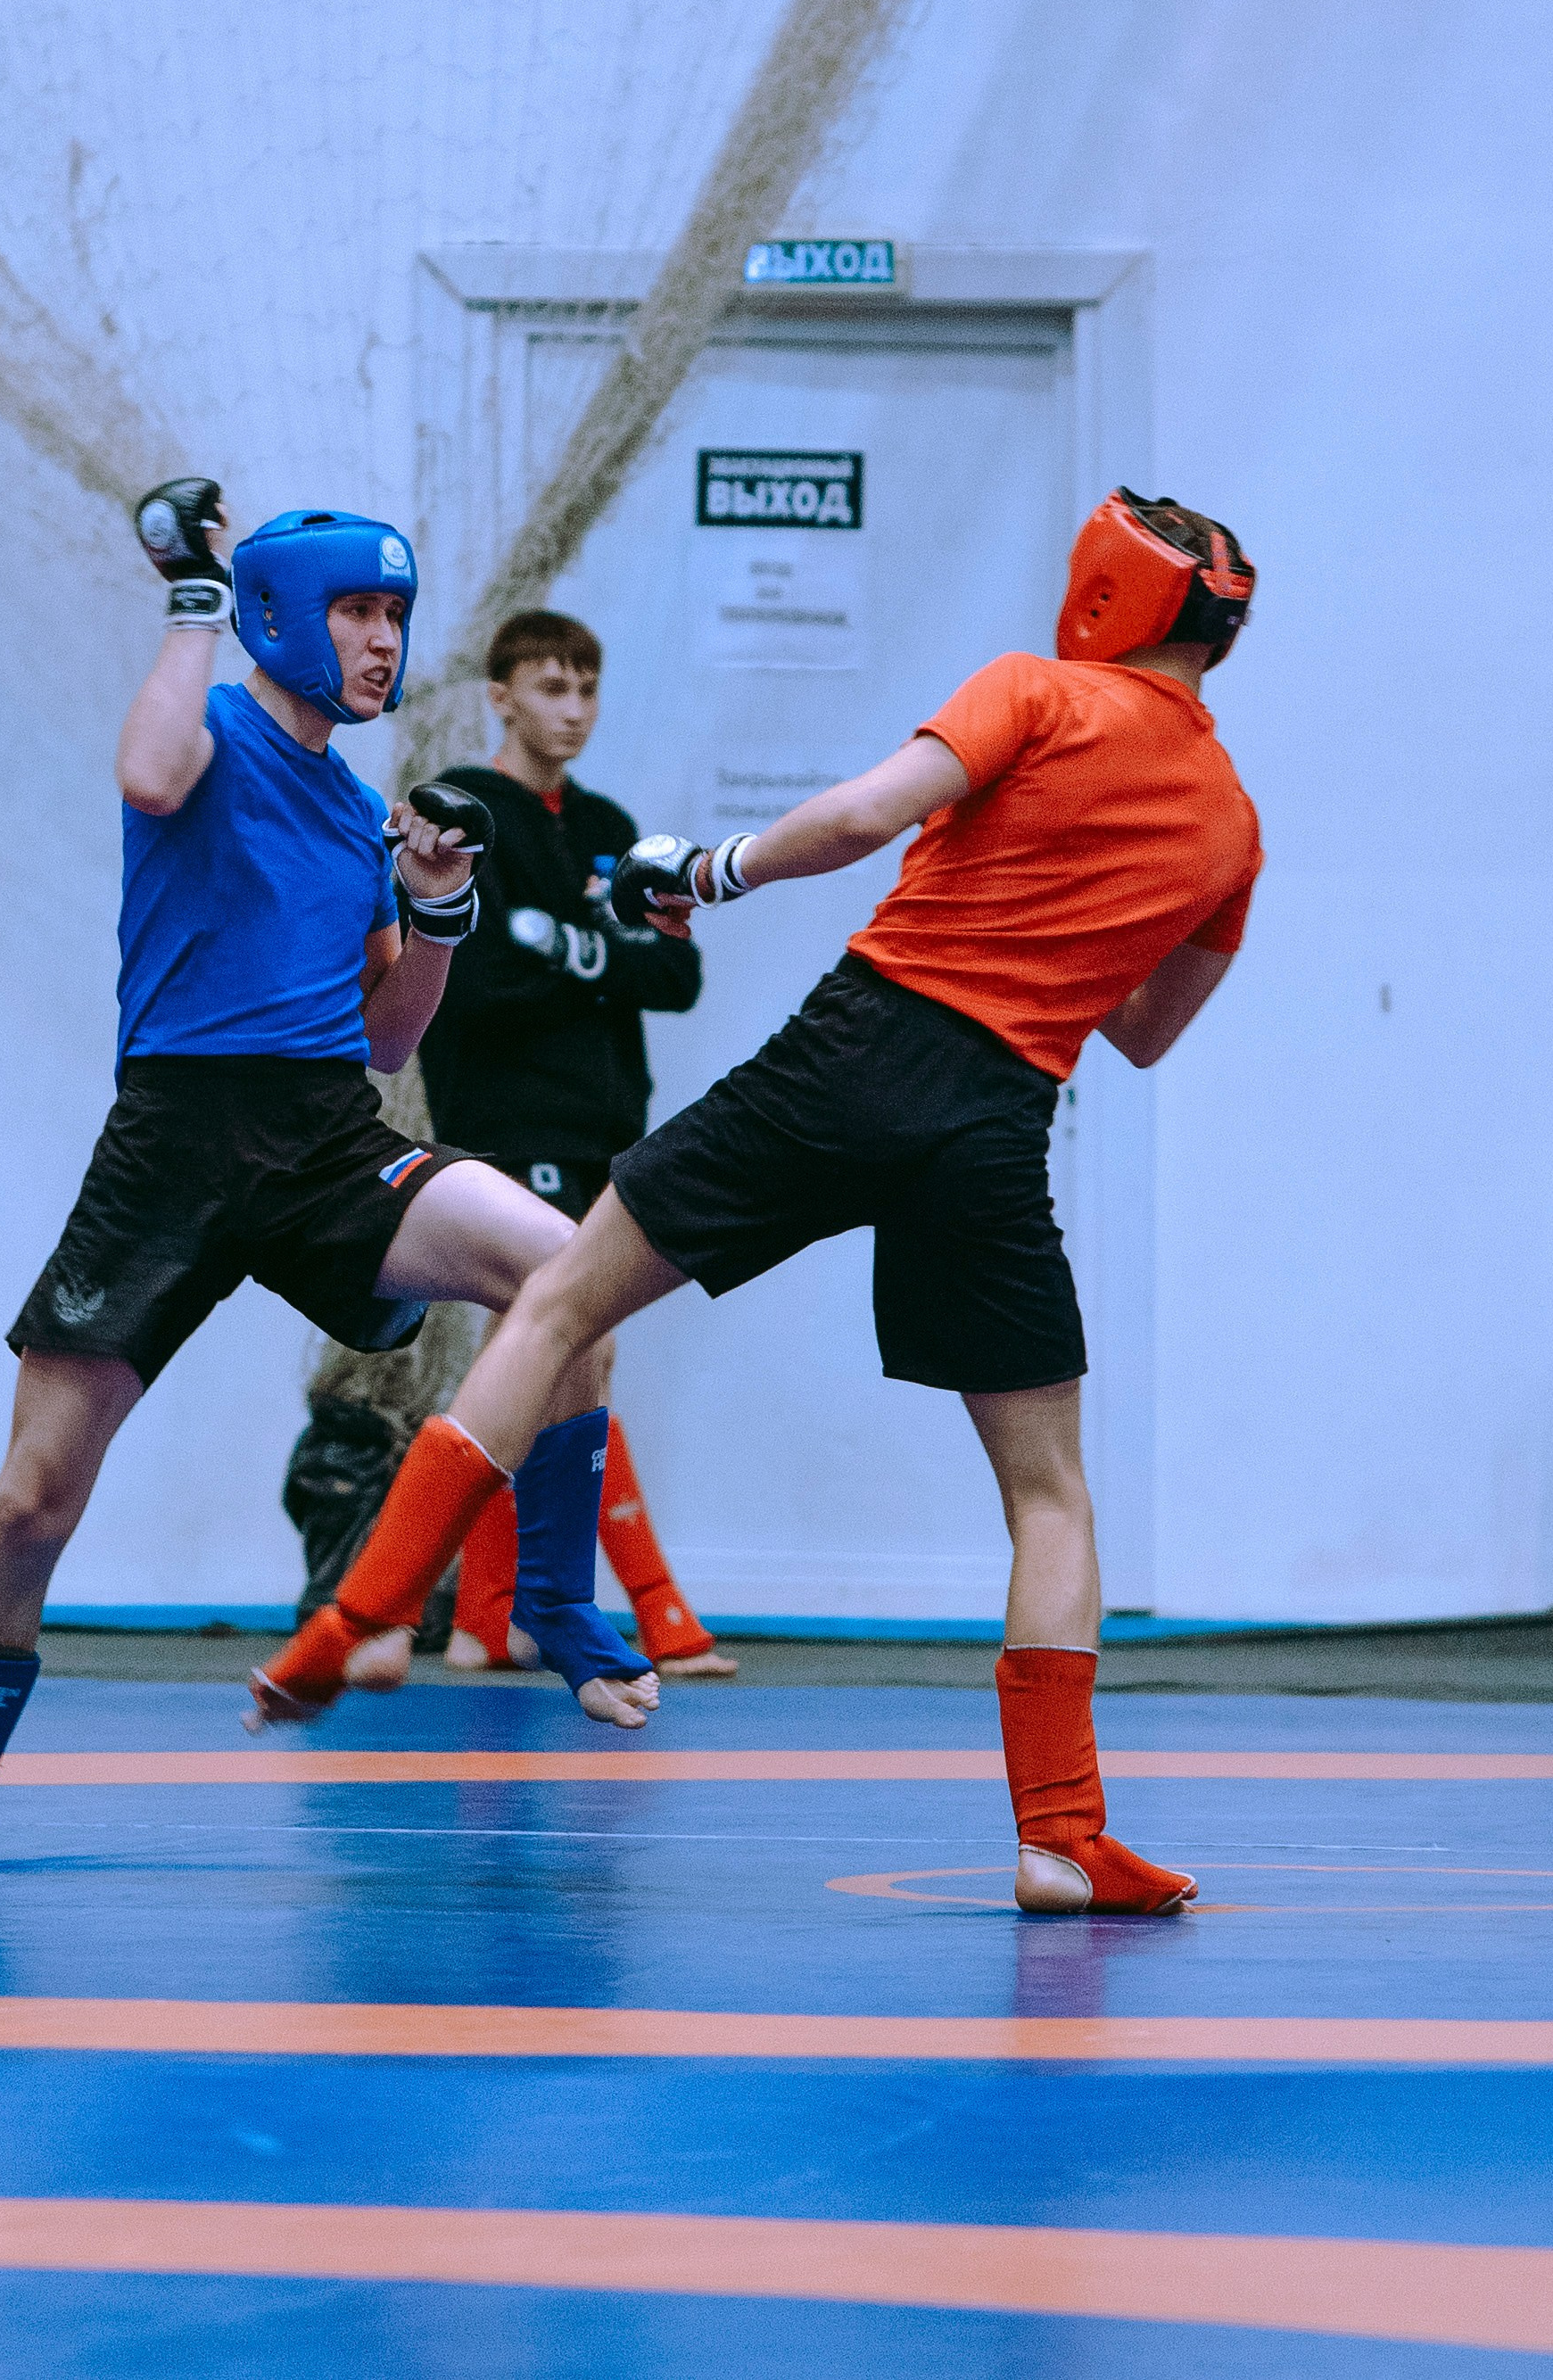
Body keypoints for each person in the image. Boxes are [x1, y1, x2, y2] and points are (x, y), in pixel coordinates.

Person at [254, 491, 1261, 1917]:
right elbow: (1147, 1031)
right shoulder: (1229, 825)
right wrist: (1069, 918)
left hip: (855, 1054)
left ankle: (354, 1618)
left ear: (1106, 598)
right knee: (1048, 1494)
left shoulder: (1036, 691)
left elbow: (858, 818)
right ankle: (1058, 1837)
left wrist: (706, 870)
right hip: (994, 1123)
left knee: (558, 1301)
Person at [0, 488, 659, 1880]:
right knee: (33, 1500)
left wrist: (439, 907)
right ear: (275, 616)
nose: (384, 643)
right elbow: (146, 779)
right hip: (170, 1140)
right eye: (356, 612)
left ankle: (559, 1603)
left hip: (325, 1133)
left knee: (569, 1266)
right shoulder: (204, 730)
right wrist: (190, 606)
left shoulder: (353, 814)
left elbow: (389, 1035)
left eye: (394, 615)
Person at [417, 607, 732, 1681]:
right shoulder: (470, 813)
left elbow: (677, 974)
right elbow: (485, 984)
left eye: (588, 689)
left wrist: (567, 948)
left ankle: (486, 1619)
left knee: (555, 1354)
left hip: (604, 1125)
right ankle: (643, 1606)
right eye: (552, 688)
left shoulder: (607, 821)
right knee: (558, 1346)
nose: (575, 709)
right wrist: (601, 954)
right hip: (507, 1124)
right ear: (501, 694)